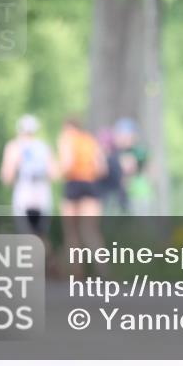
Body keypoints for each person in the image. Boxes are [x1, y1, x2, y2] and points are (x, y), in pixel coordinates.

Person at [58, 117, 107, 276]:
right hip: (91, 185)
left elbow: (67, 164)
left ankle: (76, 274)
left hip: (73, 184)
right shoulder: (90, 141)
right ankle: (104, 272)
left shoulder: (67, 140)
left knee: (71, 233)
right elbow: (102, 168)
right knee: (90, 230)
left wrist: (57, 172)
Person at [0, 114, 58, 237]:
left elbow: (7, 177)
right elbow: (54, 174)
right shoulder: (43, 147)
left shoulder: (14, 146)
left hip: (24, 194)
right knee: (40, 236)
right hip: (41, 194)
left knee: (26, 236)